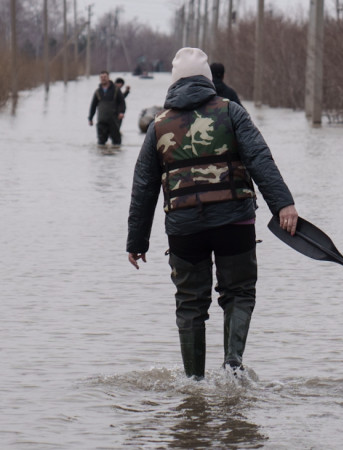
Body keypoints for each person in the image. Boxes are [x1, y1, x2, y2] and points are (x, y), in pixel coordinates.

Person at [126, 48, 298, 380]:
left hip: (184, 228)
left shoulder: (158, 125)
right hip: (234, 222)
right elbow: (259, 158)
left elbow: (144, 186)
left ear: (174, 82)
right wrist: (283, 205)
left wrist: (137, 241)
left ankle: (194, 383)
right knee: (239, 293)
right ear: (207, 79)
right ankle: (232, 367)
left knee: (190, 303)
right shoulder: (231, 111)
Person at [88, 71, 125, 145]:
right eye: (101, 77)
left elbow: (122, 102)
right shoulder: (98, 91)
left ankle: (115, 152)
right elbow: (93, 106)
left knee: (117, 143)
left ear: (108, 78)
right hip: (101, 120)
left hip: (113, 120)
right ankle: (102, 152)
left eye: (105, 77)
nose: (103, 79)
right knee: (101, 143)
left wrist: (121, 112)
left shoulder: (116, 90)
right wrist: (90, 118)